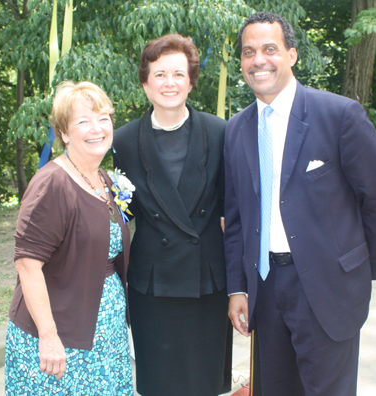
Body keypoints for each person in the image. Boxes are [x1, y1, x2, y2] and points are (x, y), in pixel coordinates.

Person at [224, 12, 376, 396]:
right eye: (249, 52)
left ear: (291, 54)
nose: (259, 60)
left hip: (326, 290)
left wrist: (356, 268)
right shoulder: (237, 129)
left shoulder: (338, 115)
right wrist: (237, 288)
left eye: (270, 49)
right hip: (266, 290)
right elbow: (236, 217)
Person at [113, 34, 231, 396]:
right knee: (159, 381)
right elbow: (122, 214)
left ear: (192, 80)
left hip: (206, 283)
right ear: (145, 83)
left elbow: (233, 210)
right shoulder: (123, 140)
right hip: (153, 284)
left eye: (178, 74)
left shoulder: (221, 131)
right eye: (160, 74)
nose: (169, 83)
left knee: (203, 381)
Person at [5, 81, 134, 395]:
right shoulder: (52, 183)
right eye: (83, 121)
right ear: (63, 133)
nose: (97, 128)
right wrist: (48, 337)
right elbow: (27, 266)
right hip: (60, 337)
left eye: (103, 119)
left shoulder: (103, 179)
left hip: (105, 335)